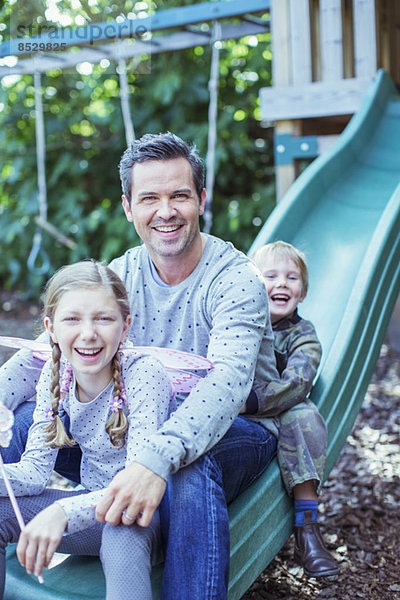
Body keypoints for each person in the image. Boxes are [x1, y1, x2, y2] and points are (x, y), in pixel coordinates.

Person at [0, 132, 280, 599]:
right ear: (129, 207)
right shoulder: (123, 272)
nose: (165, 211)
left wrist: (152, 462)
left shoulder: (236, 280)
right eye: (150, 198)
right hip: (134, 428)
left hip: (235, 431)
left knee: (189, 466)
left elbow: (227, 388)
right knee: (26, 420)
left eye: (179, 196)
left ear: (201, 200)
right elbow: (45, 355)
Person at [0, 260, 172, 599]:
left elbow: (135, 490)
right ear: (50, 327)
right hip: (95, 512)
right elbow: (35, 473)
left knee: (121, 533)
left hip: (147, 515)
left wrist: (61, 512)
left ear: (125, 326)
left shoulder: (146, 374)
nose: (88, 333)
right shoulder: (56, 373)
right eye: (72, 319)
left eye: (104, 318)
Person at [251, 241, 339, 578]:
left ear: (302, 293)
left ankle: (307, 528)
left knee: (304, 413)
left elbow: (299, 382)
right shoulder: (241, 323)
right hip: (239, 415)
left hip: (276, 411)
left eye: (292, 277)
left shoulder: (304, 335)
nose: (282, 283)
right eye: (270, 275)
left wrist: (254, 403)